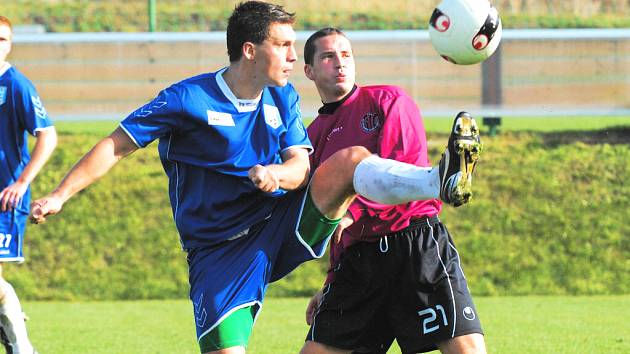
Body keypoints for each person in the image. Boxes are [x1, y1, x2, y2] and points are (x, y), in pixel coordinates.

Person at [30, 3, 477, 354]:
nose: (290, 55)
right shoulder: (186, 99)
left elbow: (301, 167)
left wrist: (275, 175)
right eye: (283, 45)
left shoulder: (282, 96)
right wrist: (60, 195)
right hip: (218, 252)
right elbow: (116, 144)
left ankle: (440, 180)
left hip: (279, 224)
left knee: (347, 161)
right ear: (250, 50)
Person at [299, 28, 485, 354]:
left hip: (414, 244)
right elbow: (330, 210)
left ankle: (442, 178)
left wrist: (353, 212)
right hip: (359, 261)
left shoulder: (388, 100)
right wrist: (330, 282)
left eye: (346, 54)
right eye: (328, 56)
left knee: (466, 350)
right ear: (309, 71)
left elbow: (403, 167)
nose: (340, 63)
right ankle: (441, 179)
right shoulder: (311, 138)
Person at [0, 15, 57, 354]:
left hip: (5, 200)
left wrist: (22, 183)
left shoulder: (16, 85)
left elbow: (47, 137)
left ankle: (19, 340)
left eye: (2, 40)